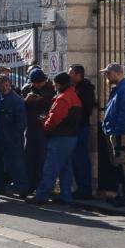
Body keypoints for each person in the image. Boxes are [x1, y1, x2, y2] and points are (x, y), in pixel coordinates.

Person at [32, 72, 83, 204]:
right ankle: (66, 196)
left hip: (60, 137)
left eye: (55, 84)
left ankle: (41, 196)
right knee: (66, 168)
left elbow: (54, 119)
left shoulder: (63, 98)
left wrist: (45, 127)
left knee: (51, 167)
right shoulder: (73, 96)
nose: (54, 86)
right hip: (71, 137)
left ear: (59, 84)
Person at [101, 62, 125, 206]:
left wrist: (118, 132)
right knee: (118, 165)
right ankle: (120, 193)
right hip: (116, 132)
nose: (106, 76)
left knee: (123, 164)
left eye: (108, 73)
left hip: (121, 134)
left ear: (117, 73)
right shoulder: (118, 89)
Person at [21, 69, 55, 196]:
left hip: (43, 128)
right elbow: (20, 106)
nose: (38, 85)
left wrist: (41, 100)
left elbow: (53, 105)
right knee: (29, 157)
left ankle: (42, 186)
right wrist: (26, 100)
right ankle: (30, 184)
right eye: (35, 83)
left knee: (42, 158)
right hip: (30, 128)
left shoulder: (50, 89)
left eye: (40, 83)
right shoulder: (26, 89)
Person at [0, 75, 28, 197]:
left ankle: (22, 189)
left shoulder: (16, 101)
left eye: (7, 85)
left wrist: (14, 136)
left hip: (12, 139)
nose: (5, 88)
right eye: (2, 86)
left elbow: (21, 122)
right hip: (0, 138)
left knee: (16, 164)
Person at [69, 64, 98, 196]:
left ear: (77, 74)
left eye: (71, 73)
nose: (69, 75)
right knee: (76, 159)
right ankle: (80, 187)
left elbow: (86, 109)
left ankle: (85, 189)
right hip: (76, 126)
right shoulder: (76, 88)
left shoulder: (85, 89)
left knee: (81, 158)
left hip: (81, 126)